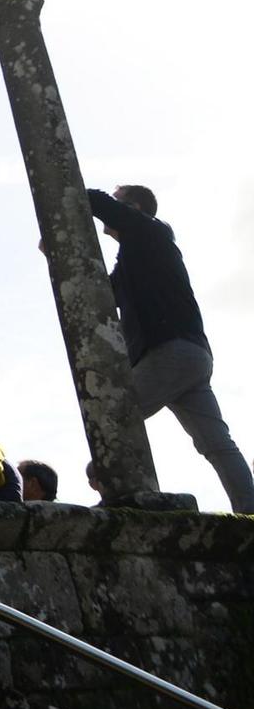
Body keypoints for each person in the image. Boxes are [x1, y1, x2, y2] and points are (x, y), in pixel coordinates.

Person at [87, 185, 254, 512]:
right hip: (191, 356)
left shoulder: (148, 230)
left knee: (113, 417)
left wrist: (65, 186)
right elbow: (104, 296)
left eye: (119, 199)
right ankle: (249, 510)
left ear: (134, 207)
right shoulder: (137, 255)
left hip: (169, 352)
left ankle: (126, 498)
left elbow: (94, 199)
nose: (113, 207)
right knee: (216, 443)